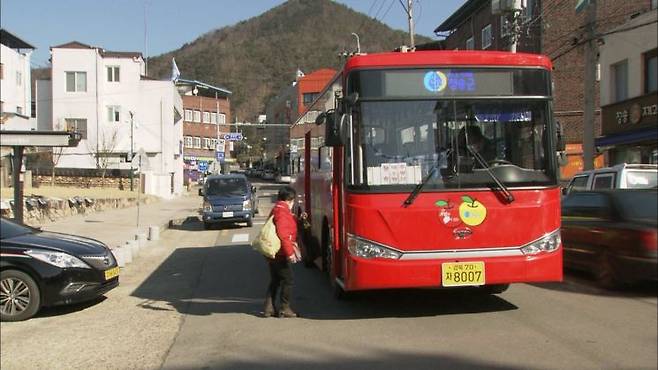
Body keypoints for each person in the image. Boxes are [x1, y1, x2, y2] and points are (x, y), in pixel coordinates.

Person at [263, 186, 302, 318]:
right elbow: (284, 234)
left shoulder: (278, 209)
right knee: (288, 279)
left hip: (272, 252)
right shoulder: (282, 212)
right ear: (289, 199)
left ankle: (269, 308)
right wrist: (290, 253)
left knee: (275, 280)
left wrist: (298, 218)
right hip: (279, 253)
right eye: (293, 200)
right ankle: (284, 308)